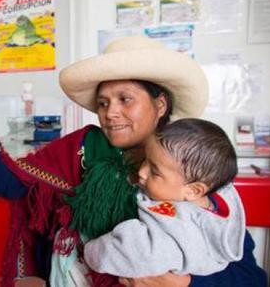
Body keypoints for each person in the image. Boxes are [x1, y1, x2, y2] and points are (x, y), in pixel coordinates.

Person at [0, 36, 267, 287]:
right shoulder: (81, 149)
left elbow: (249, 277)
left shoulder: (195, 168)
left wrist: (186, 284)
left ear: (160, 105)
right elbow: (13, 179)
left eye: (126, 99)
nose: (111, 114)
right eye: (103, 102)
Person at [83, 118, 245, 279]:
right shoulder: (213, 198)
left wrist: (89, 250)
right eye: (146, 159)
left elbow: (130, 253)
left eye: (154, 171)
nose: (142, 172)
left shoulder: (176, 229)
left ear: (193, 190)